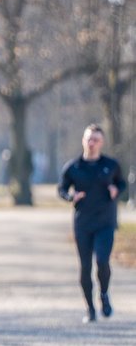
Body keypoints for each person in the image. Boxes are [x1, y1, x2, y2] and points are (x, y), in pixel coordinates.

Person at [58, 124, 127, 323]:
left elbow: (121, 183)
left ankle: (104, 294)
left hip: (105, 221)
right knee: (85, 267)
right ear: (83, 140)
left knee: (102, 261)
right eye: (89, 138)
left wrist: (116, 189)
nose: (92, 142)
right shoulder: (73, 167)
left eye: (96, 139)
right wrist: (71, 196)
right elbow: (62, 189)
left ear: (102, 142)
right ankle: (90, 308)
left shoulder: (111, 164)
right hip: (83, 223)